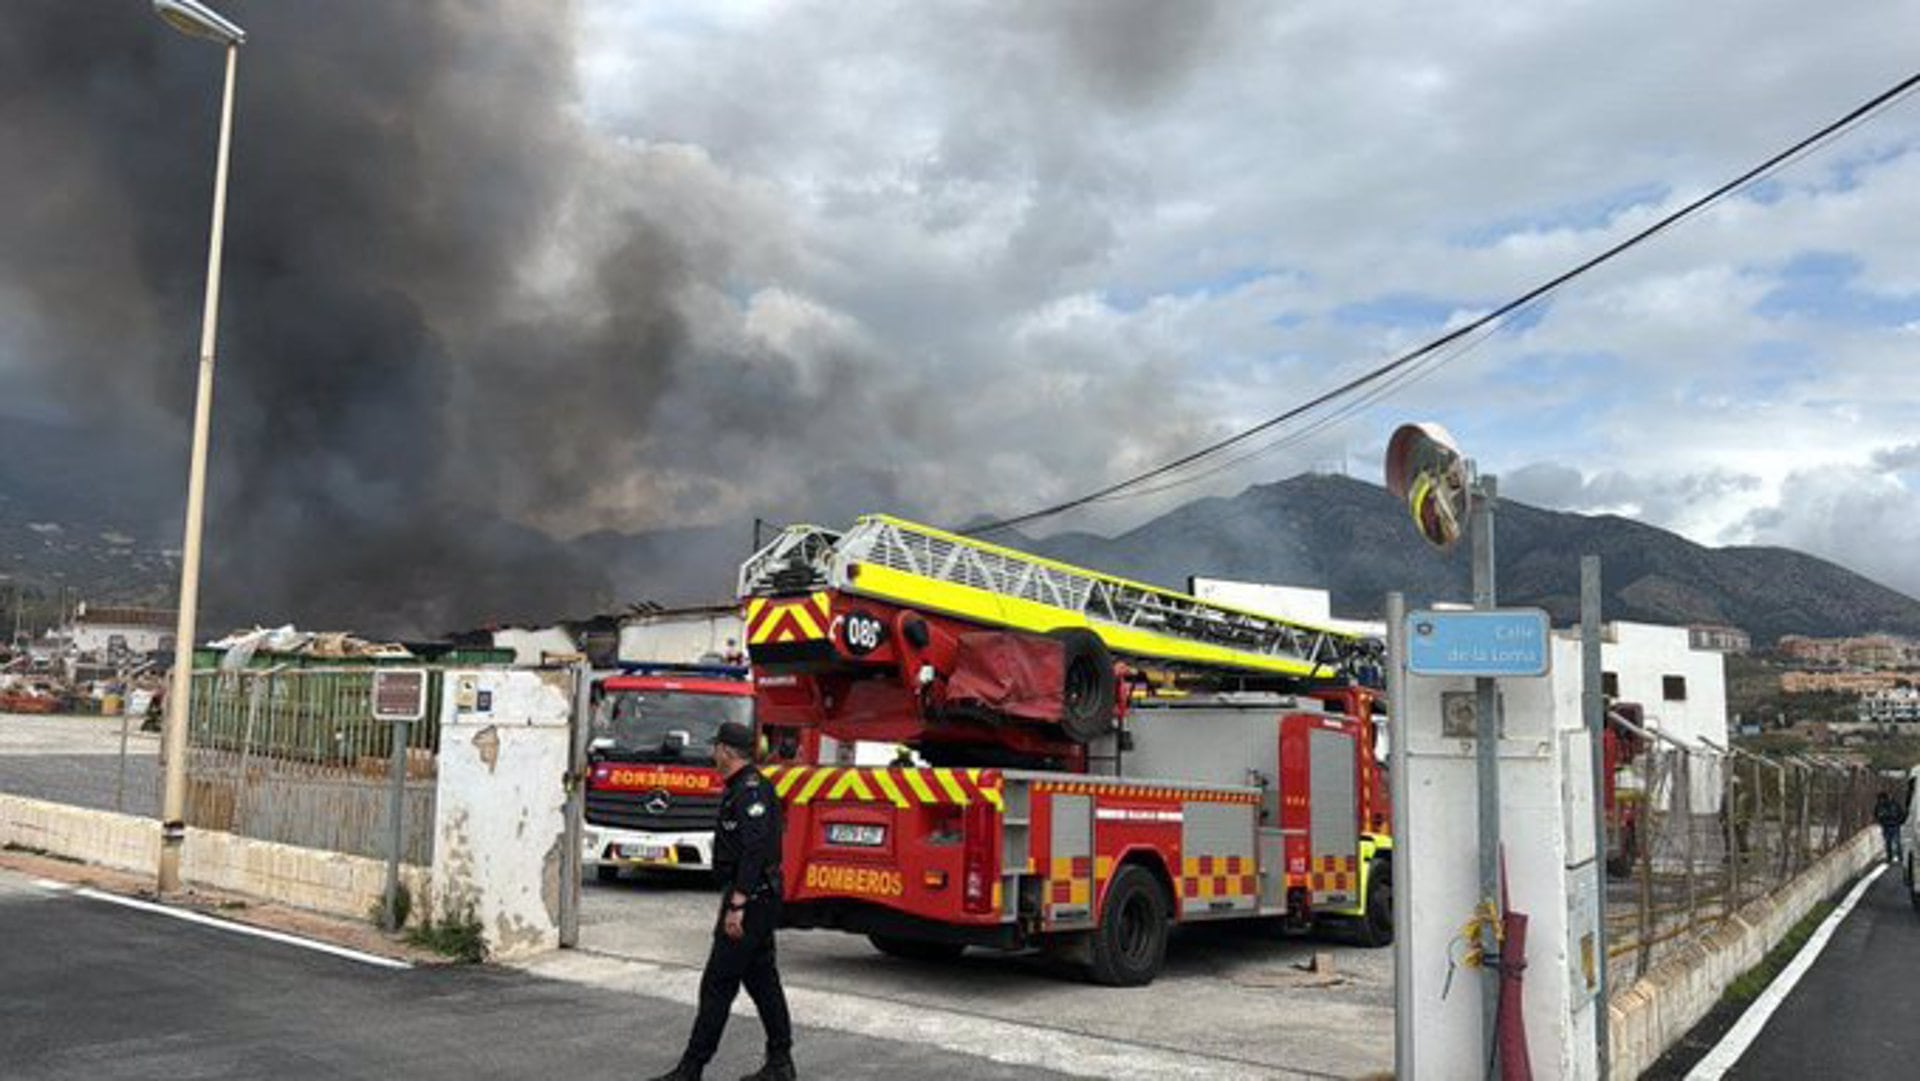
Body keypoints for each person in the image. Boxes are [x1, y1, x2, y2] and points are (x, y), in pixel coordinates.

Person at [648, 720, 795, 1081]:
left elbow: (755, 849)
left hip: (751, 899)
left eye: (716, 747)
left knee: (718, 983)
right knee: (762, 981)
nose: (713, 753)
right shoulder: (740, 788)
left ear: (727, 751)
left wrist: (738, 904)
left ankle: (691, 1068)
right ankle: (780, 1064)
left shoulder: (751, 791)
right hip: (754, 896)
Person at [1873, 790, 1907, 864]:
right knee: (1888, 842)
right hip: (1886, 826)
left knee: (1896, 842)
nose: (1881, 801)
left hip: (1894, 825)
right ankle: (1890, 857)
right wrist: (1881, 821)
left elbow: (1901, 814)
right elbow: (1876, 815)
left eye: (1882, 799)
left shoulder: (1894, 805)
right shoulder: (1879, 806)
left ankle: (1900, 857)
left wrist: (1899, 821)